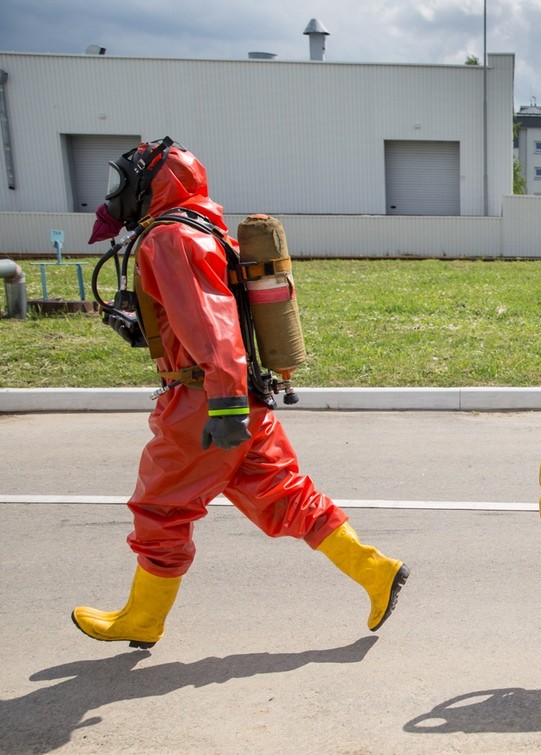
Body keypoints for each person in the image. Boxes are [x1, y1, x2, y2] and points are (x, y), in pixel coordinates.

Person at [74, 138, 408, 648]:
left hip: (205, 399)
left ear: (150, 183)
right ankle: (376, 571)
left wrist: (225, 407)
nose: (116, 195)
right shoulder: (206, 231)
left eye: (122, 183)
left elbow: (212, 325)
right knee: (290, 497)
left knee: (161, 508)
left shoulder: (171, 238)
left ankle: (143, 619)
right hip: (241, 393)